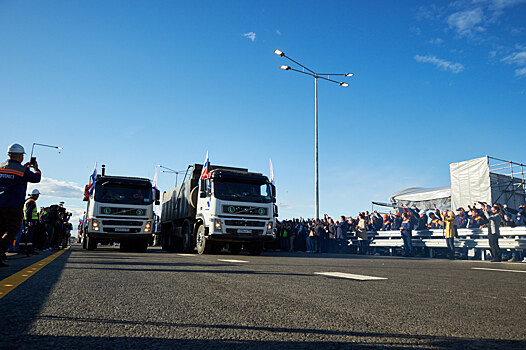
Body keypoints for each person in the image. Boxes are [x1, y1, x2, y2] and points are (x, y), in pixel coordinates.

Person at [0, 143, 41, 267]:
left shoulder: (1, 167)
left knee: (1, 230)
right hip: (14, 205)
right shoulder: (23, 170)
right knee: (13, 230)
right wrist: (36, 168)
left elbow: (12, 174)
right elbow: (36, 178)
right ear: (19, 156)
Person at [22, 189, 40, 255]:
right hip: (30, 221)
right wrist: (29, 220)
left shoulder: (27, 201)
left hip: (26, 220)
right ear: (36, 195)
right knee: (29, 235)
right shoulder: (31, 201)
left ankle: (24, 248)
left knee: (26, 235)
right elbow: (29, 212)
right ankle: (29, 249)